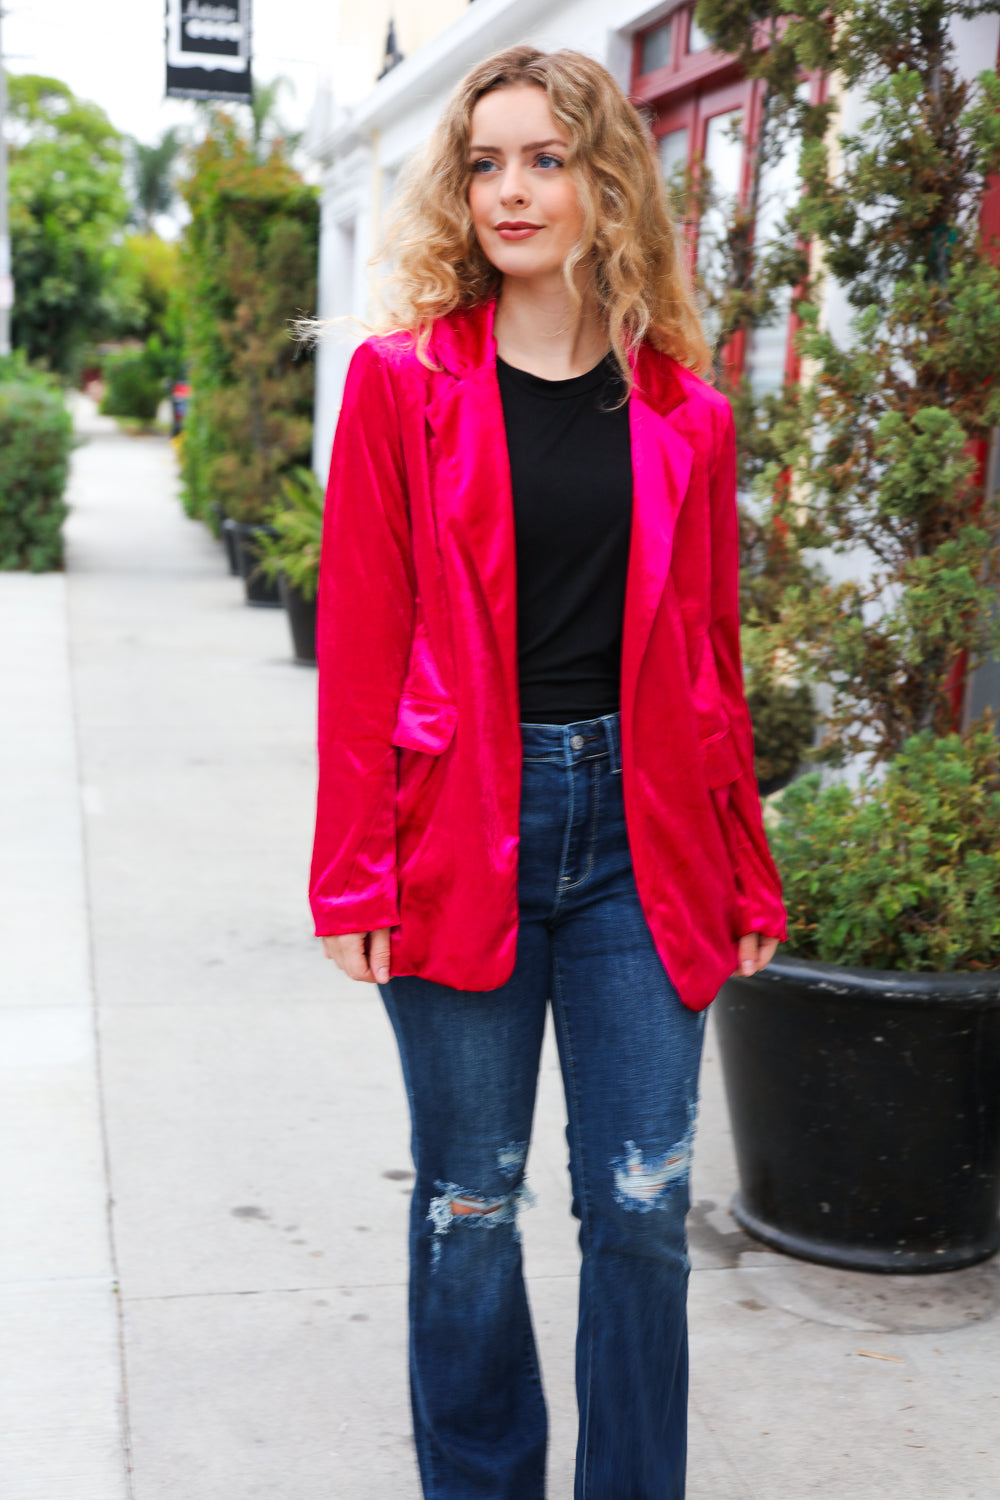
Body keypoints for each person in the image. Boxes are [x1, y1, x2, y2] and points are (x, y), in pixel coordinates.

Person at [310, 44, 786, 1500]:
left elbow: (708, 653)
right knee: (468, 1205)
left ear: (606, 183)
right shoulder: (400, 387)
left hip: (646, 834)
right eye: (485, 163)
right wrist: (352, 875)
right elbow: (363, 645)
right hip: (463, 818)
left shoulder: (686, 413)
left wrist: (746, 862)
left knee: (641, 1208)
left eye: (545, 159)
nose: (510, 191)